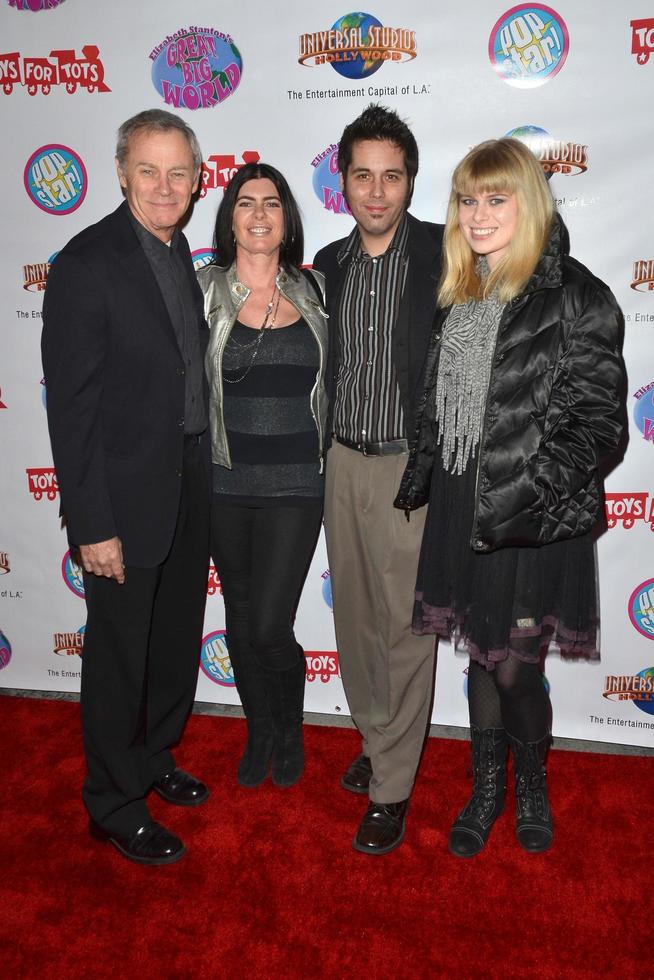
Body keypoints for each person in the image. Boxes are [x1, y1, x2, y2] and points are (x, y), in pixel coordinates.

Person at [396, 137, 626, 857]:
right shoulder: (459, 291)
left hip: (530, 519)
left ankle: (530, 780)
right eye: (468, 199)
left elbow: (599, 426)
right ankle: (485, 786)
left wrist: (529, 491)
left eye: (496, 198)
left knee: (514, 664)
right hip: (464, 505)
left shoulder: (577, 295)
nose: (478, 213)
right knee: (480, 655)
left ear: (529, 203)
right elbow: (444, 407)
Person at [42, 109, 211, 866]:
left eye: (179, 172)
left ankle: (150, 759)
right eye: (149, 170)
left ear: (198, 178)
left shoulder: (180, 258)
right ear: (120, 173)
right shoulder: (87, 262)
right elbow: (71, 411)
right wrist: (91, 524)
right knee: (117, 660)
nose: (165, 186)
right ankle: (112, 803)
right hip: (120, 504)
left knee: (171, 648)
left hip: (184, 488)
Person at [313, 105, 443, 855]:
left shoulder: (443, 255)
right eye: (362, 174)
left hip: (408, 466)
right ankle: (373, 736)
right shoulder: (327, 265)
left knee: (403, 627)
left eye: (391, 175)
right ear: (344, 181)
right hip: (340, 462)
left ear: (409, 181)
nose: (377, 189)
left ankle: (392, 785)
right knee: (356, 618)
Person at [197, 163, 328, 790]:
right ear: (228, 219)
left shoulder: (317, 291)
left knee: (272, 624)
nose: (257, 214)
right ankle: (260, 732)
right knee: (241, 618)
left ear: (286, 219)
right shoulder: (201, 291)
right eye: (244, 203)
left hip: (298, 485)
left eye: (271, 203)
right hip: (225, 481)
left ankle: (291, 728)